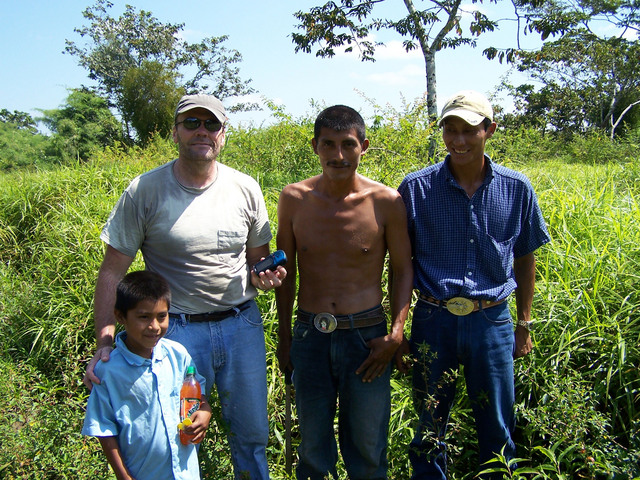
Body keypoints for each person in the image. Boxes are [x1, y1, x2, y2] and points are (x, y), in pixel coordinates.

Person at [83, 94, 286, 480]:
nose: (202, 132)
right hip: (174, 333)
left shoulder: (246, 188)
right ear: (175, 132)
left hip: (241, 325)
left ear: (223, 135)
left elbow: (257, 261)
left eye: (211, 125)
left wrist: (266, 277)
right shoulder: (145, 190)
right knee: (177, 434)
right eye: (191, 123)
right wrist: (105, 343)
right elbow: (112, 272)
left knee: (251, 435)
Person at [397, 90, 551, 479]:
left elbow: (525, 256)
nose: (458, 140)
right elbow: (399, 264)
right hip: (434, 319)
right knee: (429, 422)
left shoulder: (517, 188)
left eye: (469, 130)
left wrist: (524, 323)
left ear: (489, 130)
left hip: (492, 322)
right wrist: (396, 327)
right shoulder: (415, 189)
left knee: (497, 422)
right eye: (450, 129)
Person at [275, 105, 414, 479]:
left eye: (348, 145)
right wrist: (285, 336)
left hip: (367, 339)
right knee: (312, 450)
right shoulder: (294, 199)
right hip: (310, 336)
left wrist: (396, 333)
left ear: (363, 146)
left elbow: (403, 270)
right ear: (315, 147)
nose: (338, 155)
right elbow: (286, 274)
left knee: (368, 449)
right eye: (329, 145)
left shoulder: (385, 201)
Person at [82, 270, 212, 480]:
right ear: (120, 316)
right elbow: (104, 430)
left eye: (162, 316)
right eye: (144, 317)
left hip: (186, 473)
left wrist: (205, 412)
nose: (154, 327)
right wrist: (124, 476)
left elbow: (197, 397)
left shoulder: (177, 355)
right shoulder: (108, 372)